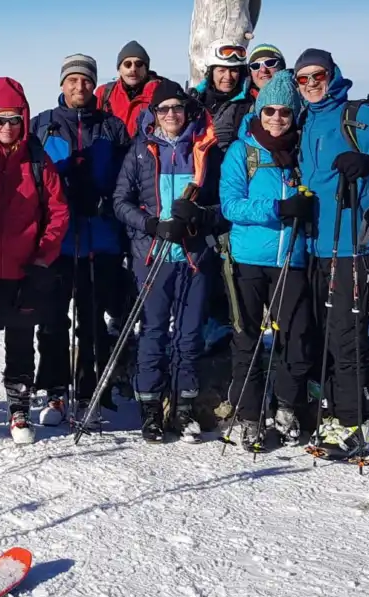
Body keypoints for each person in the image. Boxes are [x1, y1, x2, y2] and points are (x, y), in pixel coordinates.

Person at [294, 48, 369, 458]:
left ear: (332, 74)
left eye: (316, 75)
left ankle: (357, 421)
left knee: (346, 337)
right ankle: (333, 413)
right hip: (315, 246)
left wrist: (366, 164)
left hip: (354, 245)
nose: (310, 84)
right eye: (302, 78)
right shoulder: (306, 120)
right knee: (324, 334)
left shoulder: (358, 117)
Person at [113, 80, 223, 443]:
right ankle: (150, 408)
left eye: (177, 107)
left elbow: (225, 206)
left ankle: (184, 407)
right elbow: (121, 201)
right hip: (153, 254)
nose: (171, 114)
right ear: (154, 114)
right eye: (164, 109)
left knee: (190, 335)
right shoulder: (141, 151)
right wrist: (150, 225)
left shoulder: (204, 150)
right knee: (154, 332)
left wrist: (200, 217)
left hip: (194, 255)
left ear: (187, 111)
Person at [0, 78, 70, 444]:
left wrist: (43, 258)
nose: (6, 127)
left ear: (24, 120)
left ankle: (20, 404)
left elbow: (57, 213)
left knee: (22, 338)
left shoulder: (40, 163)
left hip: (27, 269)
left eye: (13, 119)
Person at [30, 54, 132, 425]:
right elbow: (31, 178)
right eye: (72, 80)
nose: (79, 87)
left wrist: (105, 199)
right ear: (62, 84)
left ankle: (93, 390)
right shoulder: (42, 125)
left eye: (86, 81)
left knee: (93, 318)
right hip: (58, 239)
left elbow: (129, 175)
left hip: (101, 237)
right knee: (53, 317)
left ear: (95, 85)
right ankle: (55, 391)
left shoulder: (112, 127)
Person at [218, 72, 315, 448]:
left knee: (295, 337)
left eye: (285, 112)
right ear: (259, 111)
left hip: (292, 258)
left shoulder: (302, 154)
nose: (277, 118)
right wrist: (279, 207)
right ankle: (248, 414)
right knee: (247, 340)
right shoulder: (242, 152)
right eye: (270, 110)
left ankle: (287, 406)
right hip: (247, 259)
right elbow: (231, 204)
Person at [95, 40, 172, 138]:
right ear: (119, 69)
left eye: (139, 64)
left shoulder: (162, 92)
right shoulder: (104, 93)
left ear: (146, 68)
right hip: (112, 151)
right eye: (127, 64)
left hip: (147, 151)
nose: (133, 69)